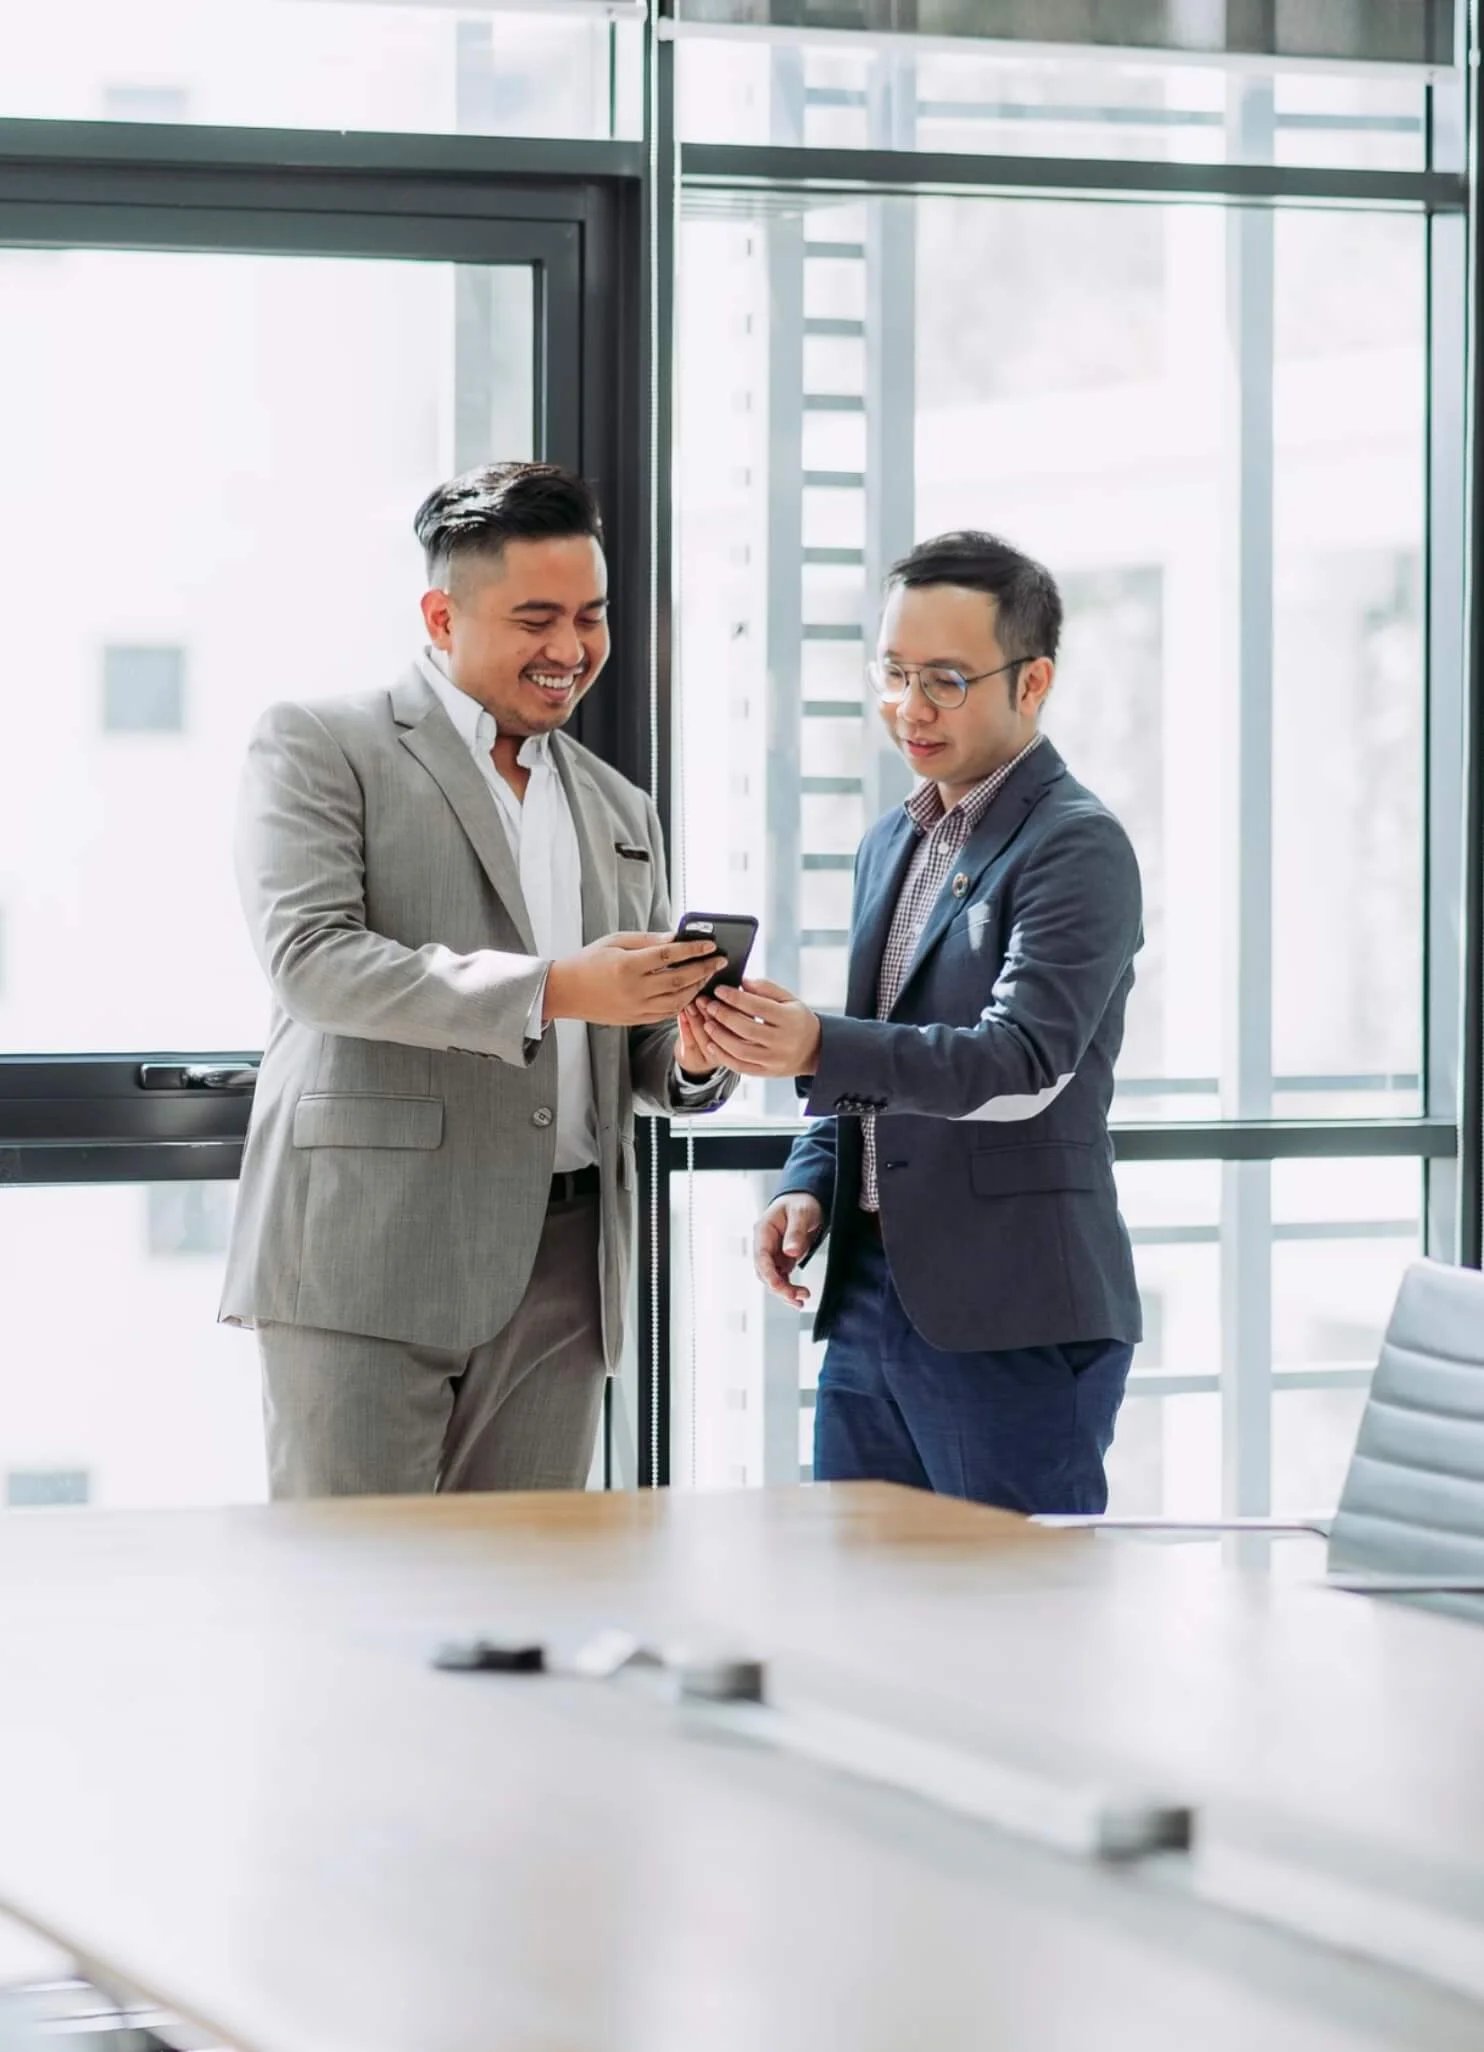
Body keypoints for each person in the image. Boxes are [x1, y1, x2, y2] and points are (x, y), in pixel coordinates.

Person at [221, 462, 733, 1498]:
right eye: (534, 618)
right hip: (370, 1249)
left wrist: (687, 1048)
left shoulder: (619, 807)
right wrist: (552, 987)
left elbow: (621, 1044)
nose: (571, 650)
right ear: (440, 615)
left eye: (589, 617)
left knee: (524, 1608)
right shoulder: (322, 744)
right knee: (356, 1600)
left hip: (570, 1269)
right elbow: (313, 963)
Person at [683, 531, 1142, 1514]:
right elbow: (880, 1045)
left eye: (943, 677)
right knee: (866, 1619)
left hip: (1007, 1315)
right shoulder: (892, 839)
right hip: (866, 1297)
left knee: (1012, 1629)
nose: (907, 707)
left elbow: (1021, 1062)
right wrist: (810, 1182)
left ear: (1032, 683)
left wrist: (813, 1043)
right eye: (891, 672)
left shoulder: (1076, 846)